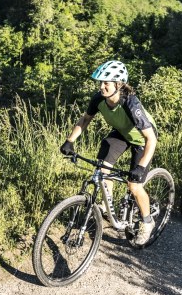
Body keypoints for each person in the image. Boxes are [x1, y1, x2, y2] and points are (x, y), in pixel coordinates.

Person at [60, 60, 158, 246]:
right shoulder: (99, 99)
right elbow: (85, 119)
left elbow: (151, 139)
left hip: (142, 140)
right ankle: (107, 208)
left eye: (106, 82)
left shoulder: (130, 103)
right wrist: (69, 141)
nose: (101, 86)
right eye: (100, 82)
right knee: (101, 170)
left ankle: (147, 222)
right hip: (121, 133)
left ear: (118, 84)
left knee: (134, 186)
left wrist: (141, 167)